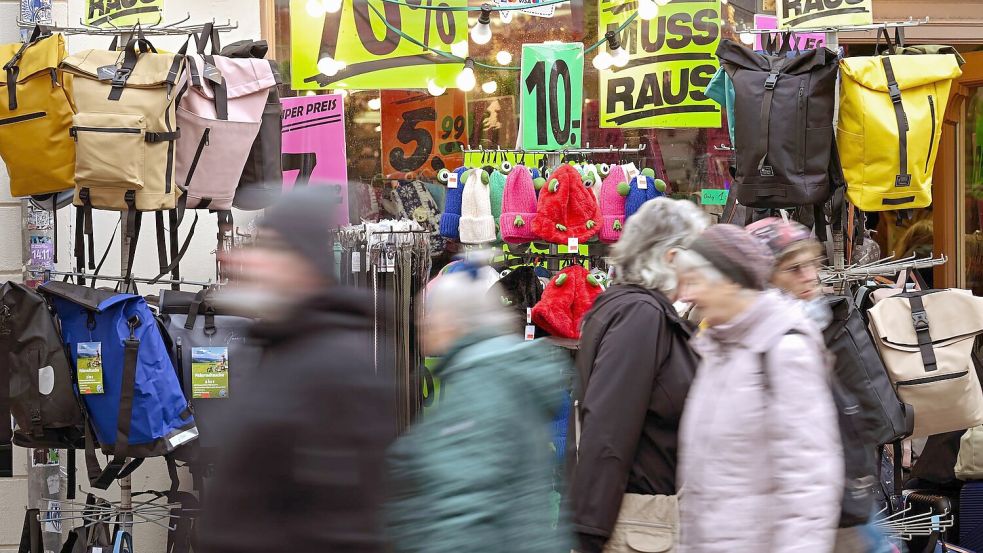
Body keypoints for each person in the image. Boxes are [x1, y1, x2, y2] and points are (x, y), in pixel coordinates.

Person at [199, 187, 396, 553]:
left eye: (270, 249)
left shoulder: (334, 367)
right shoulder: (281, 349)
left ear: (302, 265)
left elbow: (345, 523)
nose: (250, 261)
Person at [674, 224, 843, 553]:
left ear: (731, 280)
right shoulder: (716, 350)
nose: (687, 295)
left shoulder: (782, 349)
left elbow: (810, 483)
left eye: (696, 281)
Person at [386, 261, 571, 553]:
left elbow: (465, 504)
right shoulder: (497, 372)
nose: (423, 324)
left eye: (430, 314)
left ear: (454, 320)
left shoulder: (480, 384)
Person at [747, 217, 895, 553]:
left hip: (844, 506)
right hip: (818, 519)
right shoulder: (774, 343)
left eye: (813, 264)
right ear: (763, 279)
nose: (810, 277)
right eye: (793, 268)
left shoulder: (811, 326)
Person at [569, 198, 707, 553]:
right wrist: (588, 533)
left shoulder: (627, 308)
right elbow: (609, 428)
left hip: (642, 524)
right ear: (672, 257)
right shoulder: (640, 314)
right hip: (642, 528)